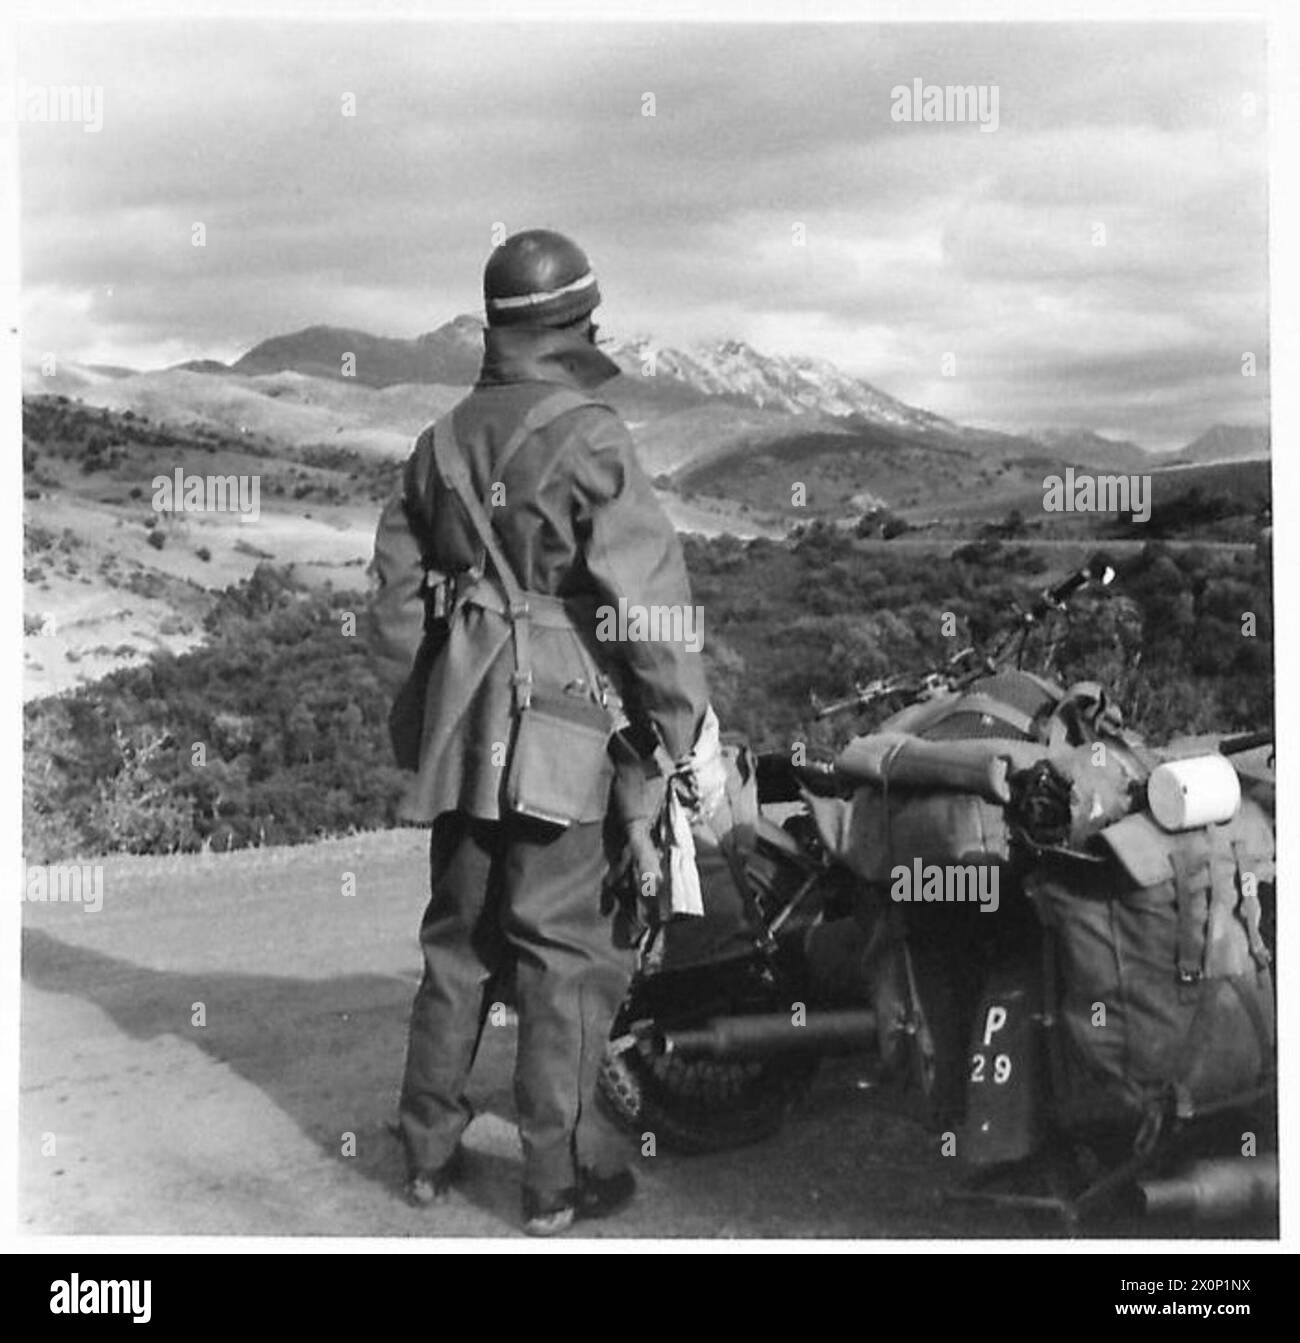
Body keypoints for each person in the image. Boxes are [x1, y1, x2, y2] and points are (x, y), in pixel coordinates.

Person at [367, 229, 714, 1235]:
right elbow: (645, 611)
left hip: (461, 729)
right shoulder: (594, 434)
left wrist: (429, 723)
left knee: (458, 943)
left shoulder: (435, 442)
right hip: (570, 734)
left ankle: (427, 1155)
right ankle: (553, 1181)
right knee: (565, 956)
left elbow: (394, 619)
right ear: (577, 326)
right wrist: (671, 736)